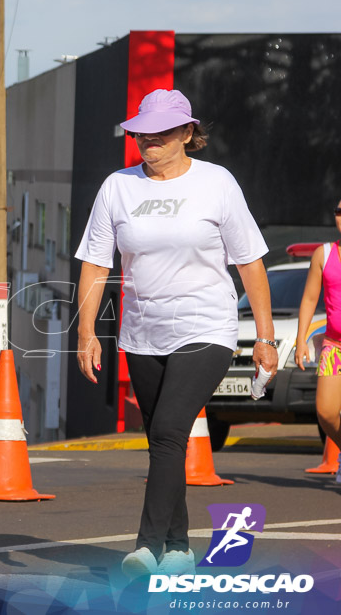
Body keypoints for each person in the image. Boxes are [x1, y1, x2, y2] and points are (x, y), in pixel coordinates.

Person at [74, 89, 277, 579]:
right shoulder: (117, 188)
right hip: (143, 332)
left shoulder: (217, 184)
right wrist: (86, 330)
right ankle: (179, 548)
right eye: (143, 132)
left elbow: (249, 261)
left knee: (167, 431)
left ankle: (145, 548)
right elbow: (96, 263)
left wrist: (266, 338)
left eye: (162, 132)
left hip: (207, 325)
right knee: (163, 439)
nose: (150, 140)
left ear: (188, 133)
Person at [296, 198, 341, 479]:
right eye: (338, 211)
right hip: (335, 347)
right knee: (325, 412)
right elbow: (310, 298)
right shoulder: (323, 254)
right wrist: (301, 340)